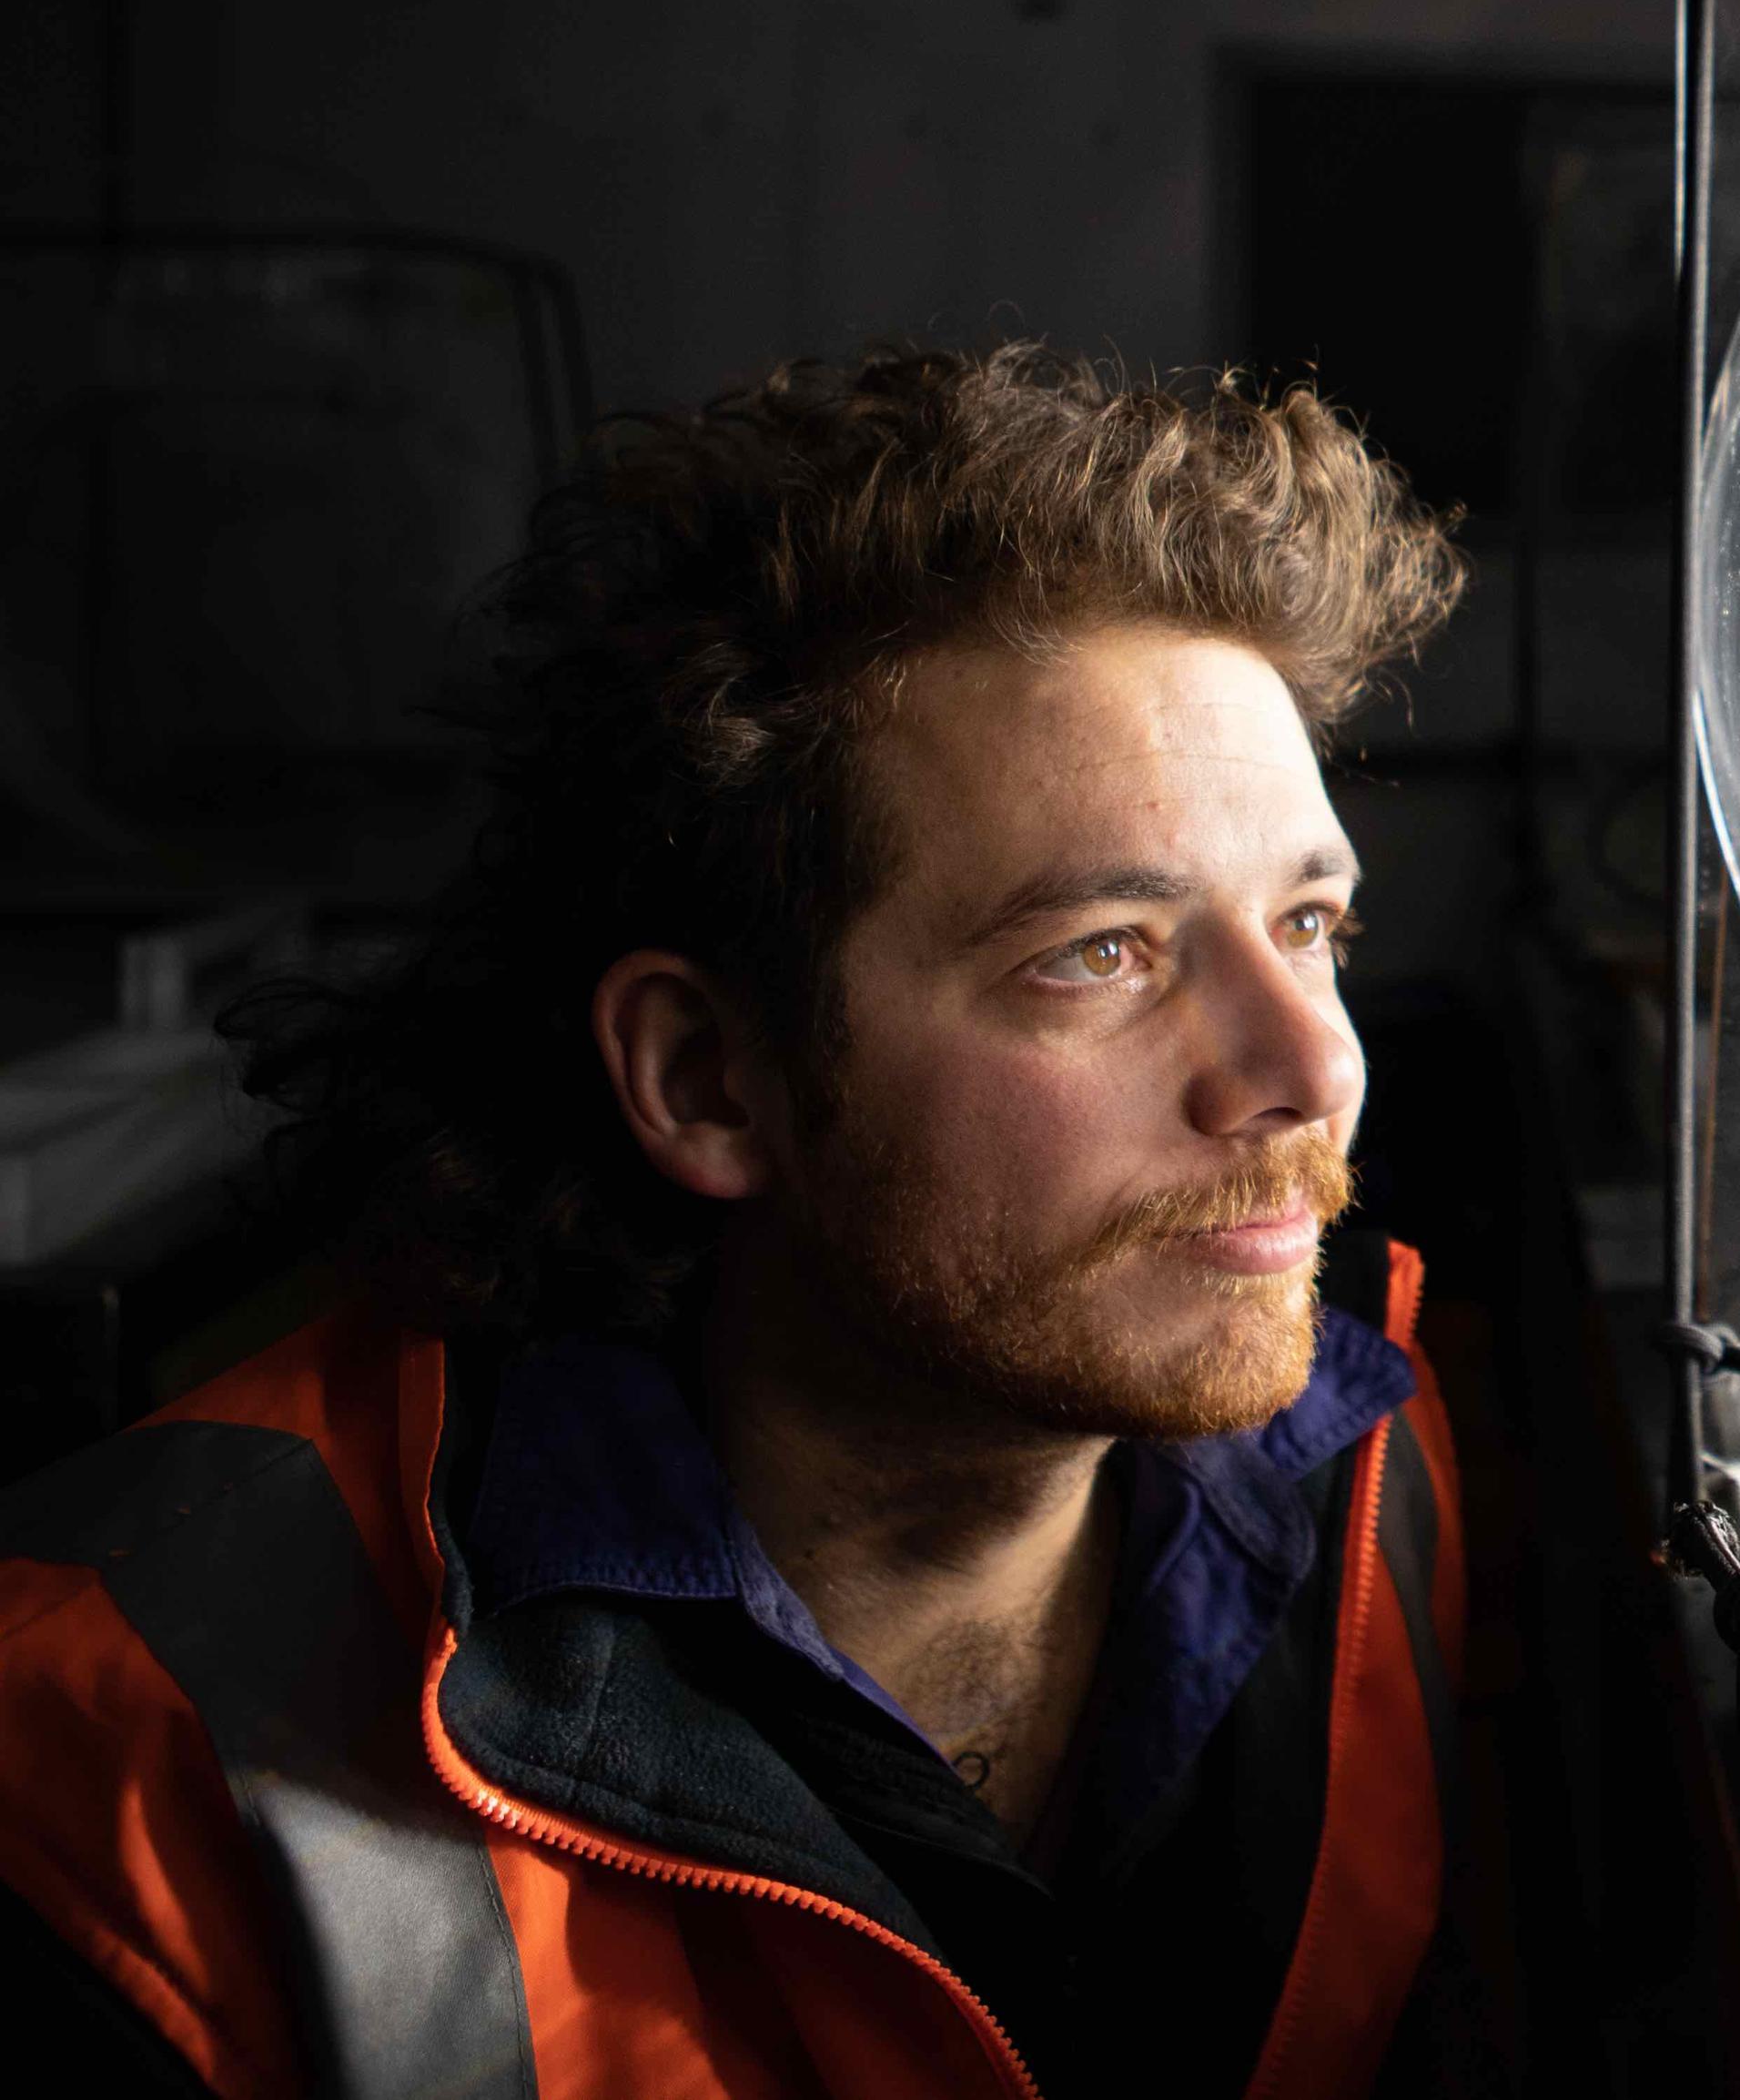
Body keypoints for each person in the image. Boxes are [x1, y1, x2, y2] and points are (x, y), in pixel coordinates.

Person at [0, 344, 1497, 2097]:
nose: (1311, 1066)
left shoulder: (1370, 1469)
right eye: (1104, 952)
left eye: (1311, 926)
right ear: (709, 1076)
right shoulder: (113, 1758)